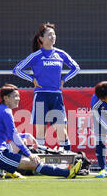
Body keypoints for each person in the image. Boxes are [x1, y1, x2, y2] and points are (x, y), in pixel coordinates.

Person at [0, 84, 82, 179]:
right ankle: (68, 173)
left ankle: (8, 169)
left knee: (23, 142)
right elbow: (14, 136)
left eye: (18, 96)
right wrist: (30, 154)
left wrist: (26, 135)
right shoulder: (6, 112)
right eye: (15, 96)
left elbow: (12, 135)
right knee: (34, 163)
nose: (18, 99)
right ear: (6, 98)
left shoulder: (1, 109)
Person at [12, 22, 80, 151]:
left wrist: (64, 80)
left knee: (62, 131)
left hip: (56, 97)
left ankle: (69, 164)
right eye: (49, 34)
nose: (53, 37)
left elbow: (76, 68)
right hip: (41, 96)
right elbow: (17, 70)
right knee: (40, 133)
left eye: (54, 34)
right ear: (41, 39)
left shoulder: (60, 54)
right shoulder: (36, 55)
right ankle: (39, 165)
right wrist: (32, 79)